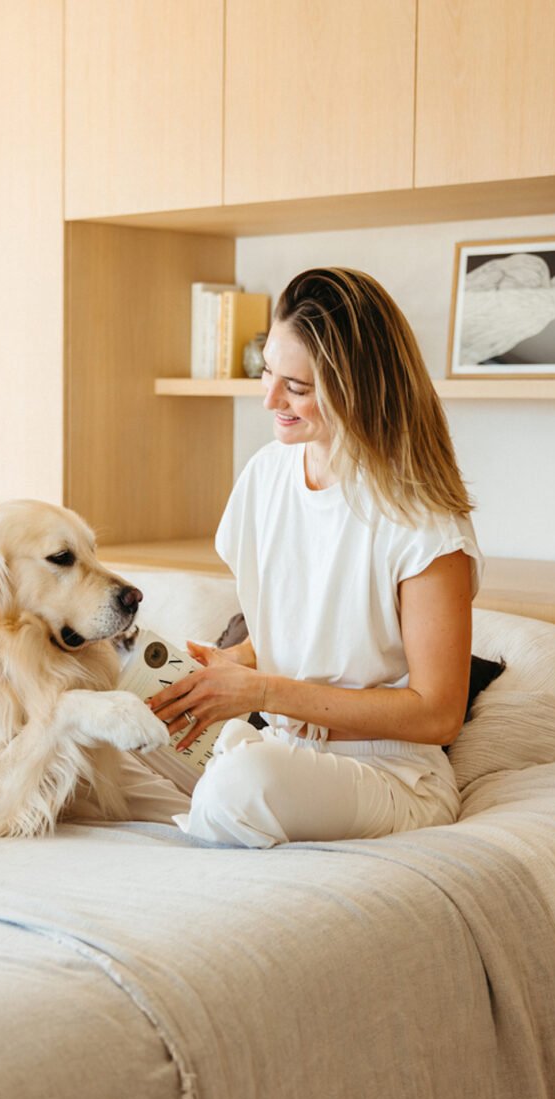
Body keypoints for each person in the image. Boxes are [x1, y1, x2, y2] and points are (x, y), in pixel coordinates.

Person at [147, 266, 483, 848]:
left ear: (356, 386)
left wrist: (262, 693)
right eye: (267, 374)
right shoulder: (266, 475)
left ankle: (219, 803)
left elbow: (437, 713)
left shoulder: (422, 517)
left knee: (243, 785)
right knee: (100, 741)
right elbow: (299, 635)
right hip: (282, 749)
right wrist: (227, 668)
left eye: (296, 388)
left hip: (390, 773)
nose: (270, 399)